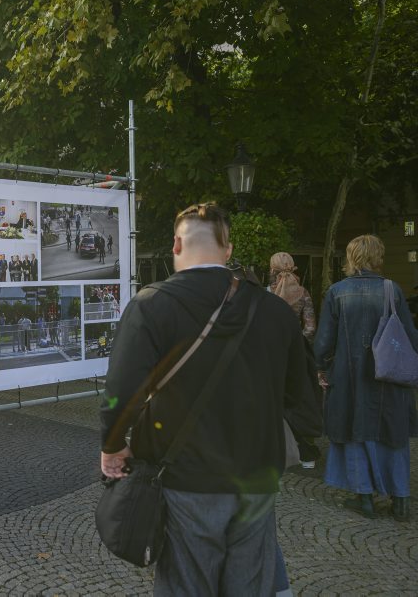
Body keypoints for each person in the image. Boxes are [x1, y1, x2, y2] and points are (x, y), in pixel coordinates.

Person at [100, 202, 320, 595]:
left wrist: (113, 447)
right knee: (250, 584)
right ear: (229, 249)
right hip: (256, 472)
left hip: (187, 473)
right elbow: (297, 394)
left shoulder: (150, 305)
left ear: (175, 245)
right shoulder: (275, 311)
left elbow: (121, 392)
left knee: (188, 584)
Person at [315, 234, 417, 522]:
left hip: (350, 378)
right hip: (389, 375)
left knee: (354, 431)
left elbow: (324, 341)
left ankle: (365, 499)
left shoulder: (336, 292)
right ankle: (401, 502)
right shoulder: (392, 289)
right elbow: (409, 335)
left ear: (351, 257)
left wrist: (321, 367)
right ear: (378, 256)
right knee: (392, 435)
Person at [268, 251, 320, 468]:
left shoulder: (266, 294)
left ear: (272, 270)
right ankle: (306, 451)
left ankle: (278, 450)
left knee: (273, 399)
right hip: (298, 353)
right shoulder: (303, 293)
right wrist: (298, 343)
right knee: (301, 398)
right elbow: (311, 327)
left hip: (271, 354)